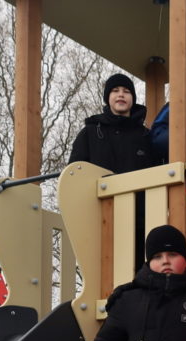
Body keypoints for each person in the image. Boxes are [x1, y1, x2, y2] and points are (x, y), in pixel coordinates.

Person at [69, 72, 156, 266]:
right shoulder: (91, 132)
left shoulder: (146, 136)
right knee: (101, 268)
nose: (121, 95)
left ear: (133, 98)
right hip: (100, 217)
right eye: (115, 90)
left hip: (139, 221)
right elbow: (74, 173)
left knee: (136, 268)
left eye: (126, 91)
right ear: (107, 97)